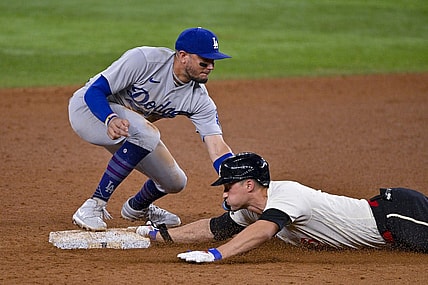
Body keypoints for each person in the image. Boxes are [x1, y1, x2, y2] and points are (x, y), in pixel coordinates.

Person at [68, 27, 235, 231]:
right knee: (147, 133)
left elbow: (217, 145)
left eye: (213, 62)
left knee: (175, 181)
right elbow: (94, 91)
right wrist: (109, 119)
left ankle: (137, 208)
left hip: (130, 130)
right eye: (204, 61)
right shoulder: (145, 60)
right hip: (90, 111)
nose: (210, 67)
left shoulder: (199, 100)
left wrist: (236, 176)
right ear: (183, 56)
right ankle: (93, 206)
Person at [136, 152, 428, 263]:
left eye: (228, 185)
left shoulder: (287, 195)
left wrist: (217, 255)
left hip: (395, 215)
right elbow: (214, 228)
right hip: (389, 228)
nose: (224, 191)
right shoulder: (250, 209)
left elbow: (264, 231)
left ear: (249, 185)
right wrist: (157, 235)